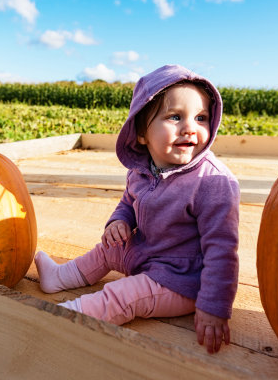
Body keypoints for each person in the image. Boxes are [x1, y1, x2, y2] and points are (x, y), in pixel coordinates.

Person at [35, 65, 240, 354]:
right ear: (142, 133)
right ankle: (59, 277)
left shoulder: (213, 183)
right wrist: (117, 222)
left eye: (201, 118)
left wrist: (213, 306)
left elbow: (222, 250)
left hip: (183, 280)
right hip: (148, 255)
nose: (190, 127)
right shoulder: (141, 170)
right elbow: (127, 203)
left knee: (124, 295)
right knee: (107, 248)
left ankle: (68, 316)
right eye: (175, 117)